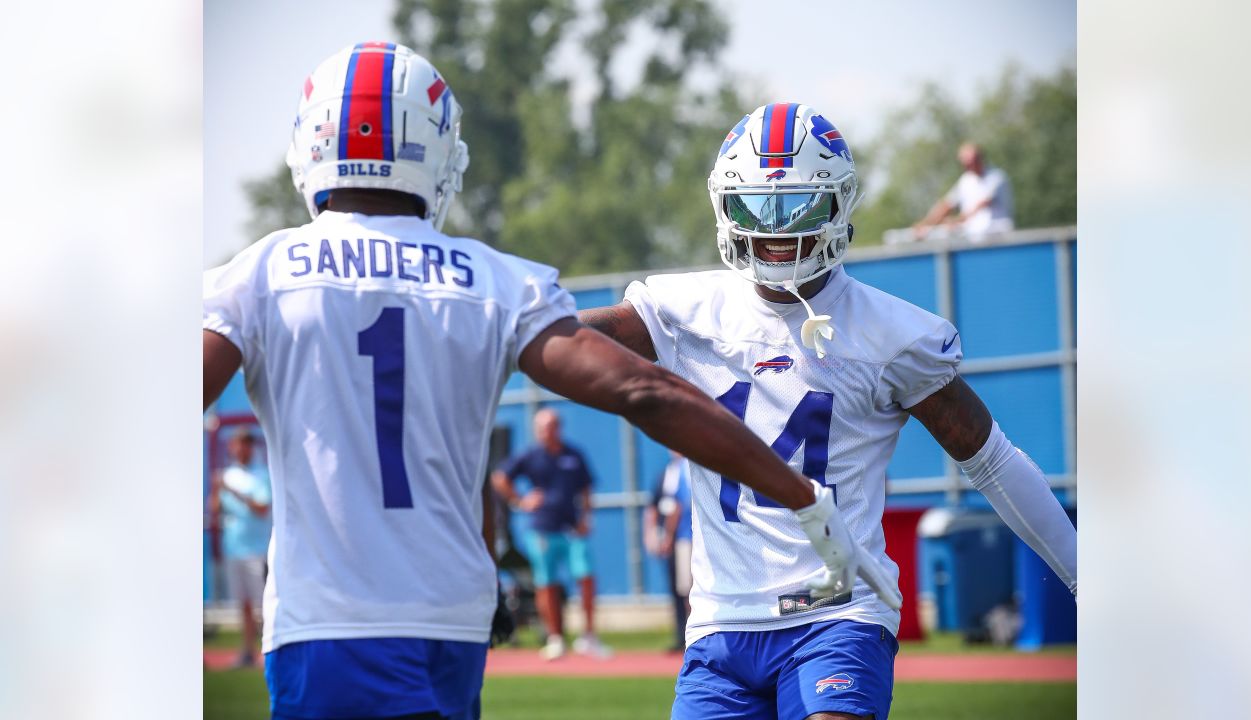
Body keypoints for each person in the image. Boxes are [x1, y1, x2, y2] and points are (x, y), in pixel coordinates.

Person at [203, 46, 889, 720]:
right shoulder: (493, 280)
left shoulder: (260, 274)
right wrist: (802, 497)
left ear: (310, 144)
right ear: (436, 150)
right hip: (453, 622)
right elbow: (645, 392)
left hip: (330, 621)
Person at [580, 102, 1077, 720]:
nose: (775, 230)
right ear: (724, 207)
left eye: (798, 207)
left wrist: (1084, 578)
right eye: (756, 207)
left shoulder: (890, 332)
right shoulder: (685, 309)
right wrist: (499, 325)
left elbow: (992, 461)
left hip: (838, 616)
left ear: (839, 206)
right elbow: (570, 338)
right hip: (721, 624)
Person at [490, 408, 610, 660]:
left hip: (572, 529)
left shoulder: (573, 454)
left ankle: (588, 636)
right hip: (542, 529)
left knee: (586, 576)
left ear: (559, 427)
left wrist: (586, 518)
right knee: (546, 582)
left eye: (551, 426)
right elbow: (500, 478)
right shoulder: (530, 455)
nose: (546, 431)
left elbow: (586, 488)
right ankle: (554, 637)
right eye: (541, 427)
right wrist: (520, 501)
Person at [208, 426, 272, 668]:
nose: (241, 448)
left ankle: (269, 653)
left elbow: (262, 508)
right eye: (238, 443)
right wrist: (216, 491)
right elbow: (215, 510)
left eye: (246, 443)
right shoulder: (227, 475)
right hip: (233, 548)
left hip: (257, 550)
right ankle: (247, 652)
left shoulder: (262, 474)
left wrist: (232, 492)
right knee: (243, 604)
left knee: (264, 604)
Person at [912, 141, 1014, 241]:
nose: (968, 165)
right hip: (975, 238)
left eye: (971, 161)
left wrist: (957, 220)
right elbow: (947, 204)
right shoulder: (966, 180)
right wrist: (926, 223)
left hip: (998, 237)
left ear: (980, 158)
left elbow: (981, 204)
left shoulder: (996, 177)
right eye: (965, 163)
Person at [644, 451, 693, 653]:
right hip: (678, 539)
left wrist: (668, 535)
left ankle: (694, 636)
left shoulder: (688, 468)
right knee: (679, 588)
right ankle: (682, 635)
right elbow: (655, 504)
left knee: (689, 590)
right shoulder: (667, 471)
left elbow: (677, 506)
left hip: (686, 537)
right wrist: (653, 533)